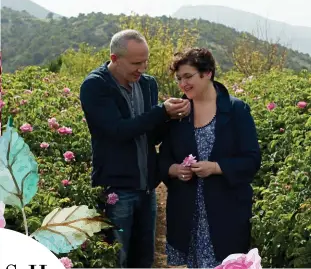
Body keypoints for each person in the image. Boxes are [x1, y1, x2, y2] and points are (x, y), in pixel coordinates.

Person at [79, 29, 190, 268]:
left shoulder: (147, 84)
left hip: (146, 187)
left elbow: (151, 135)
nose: (142, 68)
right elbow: (117, 132)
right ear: (115, 58)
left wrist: (173, 117)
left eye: (145, 61)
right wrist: (161, 112)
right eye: (136, 63)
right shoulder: (95, 87)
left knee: (143, 259)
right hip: (116, 190)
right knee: (117, 257)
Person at [158, 47, 261, 268]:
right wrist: (175, 169)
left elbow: (252, 160)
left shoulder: (236, 110)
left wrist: (216, 167)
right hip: (188, 214)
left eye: (188, 76)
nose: (183, 84)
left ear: (208, 73)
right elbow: (163, 160)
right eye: (179, 79)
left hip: (226, 211)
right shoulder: (179, 114)